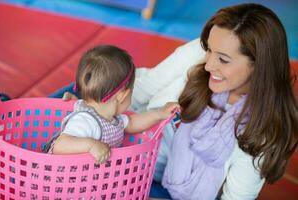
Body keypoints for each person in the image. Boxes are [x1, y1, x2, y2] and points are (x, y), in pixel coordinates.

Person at [52, 4, 298, 199]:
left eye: (223, 59)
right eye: (209, 49)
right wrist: (96, 105)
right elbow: (146, 85)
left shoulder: (260, 130)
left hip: (153, 181)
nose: (209, 63)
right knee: (82, 89)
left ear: (259, 66)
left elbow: (236, 197)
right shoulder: (198, 55)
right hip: (118, 127)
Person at [44, 45, 179, 164]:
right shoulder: (86, 121)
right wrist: (91, 145)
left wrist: (159, 113)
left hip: (88, 178)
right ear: (123, 95)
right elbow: (60, 145)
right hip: (63, 180)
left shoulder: (114, 118)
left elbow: (132, 123)